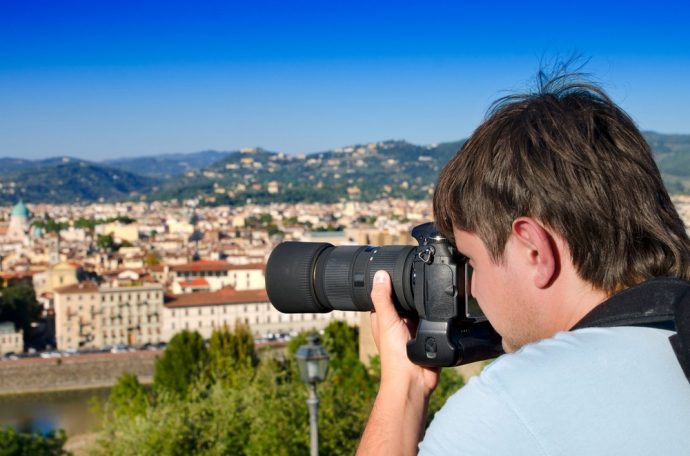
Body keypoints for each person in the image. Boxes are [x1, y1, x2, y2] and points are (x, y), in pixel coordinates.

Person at [356, 70, 690, 455]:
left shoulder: (512, 407)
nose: (471, 287)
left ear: (535, 251)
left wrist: (403, 388)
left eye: (472, 262)